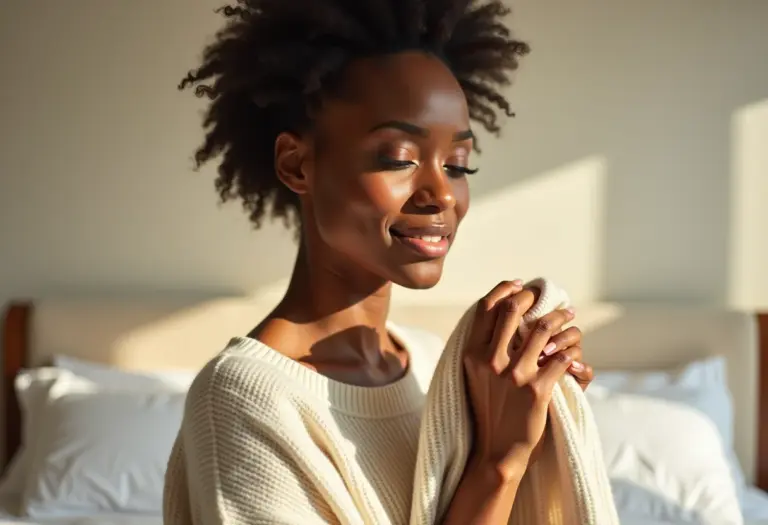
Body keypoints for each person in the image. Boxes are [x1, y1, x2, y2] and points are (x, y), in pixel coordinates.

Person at [163, 1, 594, 524]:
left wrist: (541, 424)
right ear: (297, 165)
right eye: (398, 158)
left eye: (458, 164)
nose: (442, 194)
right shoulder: (245, 401)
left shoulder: (439, 365)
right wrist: (498, 463)